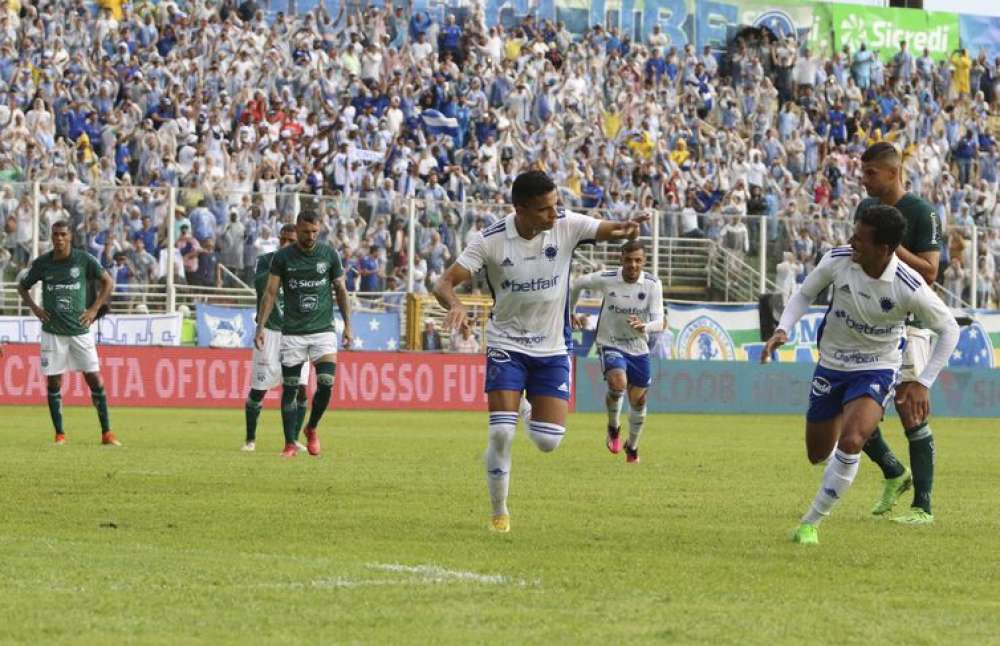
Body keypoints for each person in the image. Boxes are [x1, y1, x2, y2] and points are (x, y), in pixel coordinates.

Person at [433, 170, 647, 533]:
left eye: (555, 206)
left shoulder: (566, 224)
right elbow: (443, 282)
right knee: (502, 433)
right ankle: (499, 512)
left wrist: (629, 227)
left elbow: (612, 229)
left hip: (552, 347)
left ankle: (525, 405)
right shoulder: (490, 241)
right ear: (520, 209)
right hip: (507, 344)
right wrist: (453, 304)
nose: (554, 214)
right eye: (545, 209)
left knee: (548, 441)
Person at [762, 205, 959, 545]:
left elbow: (950, 329)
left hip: (877, 366)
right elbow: (806, 293)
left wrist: (923, 382)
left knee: (853, 439)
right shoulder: (838, 259)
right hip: (832, 364)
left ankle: (810, 523)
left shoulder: (907, 284)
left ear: (884, 249)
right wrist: (783, 329)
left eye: (859, 238)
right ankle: (891, 472)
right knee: (817, 452)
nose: (851, 241)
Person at [855, 142, 944, 524]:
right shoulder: (864, 210)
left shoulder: (922, 212)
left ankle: (923, 506)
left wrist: (890, 247)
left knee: (910, 408)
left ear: (893, 173)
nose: (864, 180)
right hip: (870, 319)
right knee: (855, 411)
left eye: (871, 173)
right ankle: (894, 472)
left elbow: (930, 270)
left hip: (910, 321)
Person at [255, 212, 352, 458]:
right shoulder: (283, 258)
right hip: (293, 332)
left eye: (315, 232)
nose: (310, 236)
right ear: (297, 229)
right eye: (306, 231)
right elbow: (270, 293)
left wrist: (349, 325)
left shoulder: (329, 254)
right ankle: (289, 443)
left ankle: (312, 427)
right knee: (290, 388)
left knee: (327, 384)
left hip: (323, 330)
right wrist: (260, 327)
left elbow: (341, 290)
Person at [16, 221, 120, 446]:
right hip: (52, 331)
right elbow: (22, 286)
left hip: (80, 330)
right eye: (55, 235)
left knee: (93, 378)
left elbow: (108, 282)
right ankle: (60, 434)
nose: (59, 239)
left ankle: (107, 433)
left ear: (70, 236)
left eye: (63, 234)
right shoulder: (43, 263)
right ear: (52, 237)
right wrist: (36, 309)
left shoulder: (83, 260)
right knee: (54, 383)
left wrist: (93, 309)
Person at [570, 240, 666, 464]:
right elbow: (577, 284)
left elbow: (660, 319)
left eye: (638, 260)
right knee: (618, 383)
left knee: (638, 401)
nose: (633, 265)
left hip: (638, 346)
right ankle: (613, 427)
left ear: (644, 261)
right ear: (621, 259)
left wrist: (646, 327)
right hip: (610, 342)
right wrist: (570, 311)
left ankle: (632, 446)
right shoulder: (607, 278)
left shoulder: (652, 284)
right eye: (629, 260)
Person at [243, 224, 310, 453]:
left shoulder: (307, 265)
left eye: (290, 241)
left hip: (297, 334)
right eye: (282, 240)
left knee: (301, 388)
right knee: (259, 389)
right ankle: (250, 439)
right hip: (270, 331)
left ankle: (292, 438)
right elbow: (262, 286)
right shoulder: (266, 260)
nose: (284, 245)